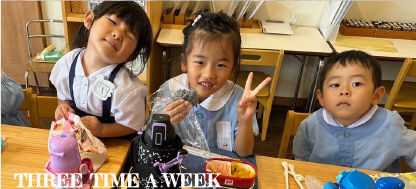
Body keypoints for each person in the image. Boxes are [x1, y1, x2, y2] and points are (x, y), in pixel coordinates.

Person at [155, 13, 270, 157]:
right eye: (200, 62)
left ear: (233, 68)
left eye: (221, 65)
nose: (209, 74)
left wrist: (244, 121)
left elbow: (244, 152)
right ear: (184, 62)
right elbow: (152, 140)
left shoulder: (239, 100)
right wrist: (164, 124)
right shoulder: (170, 90)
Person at [293, 50, 416, 172]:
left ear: (376, 95)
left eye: (356, 84)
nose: (344, 91)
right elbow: (301, 162)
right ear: (321, 97)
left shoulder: (389, 124)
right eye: (335, 85)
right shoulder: (311, 124)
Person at [50, 1, 152, 138]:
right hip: (76, 142)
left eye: (129, 36)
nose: (118, 34)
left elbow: (133, 125)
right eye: (112, 21)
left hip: (114, 148)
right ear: (89, 20)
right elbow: (64, 96)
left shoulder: (128, 89)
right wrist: (63, 107)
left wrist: (102, 129)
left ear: (132, 56)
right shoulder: (67, 64)